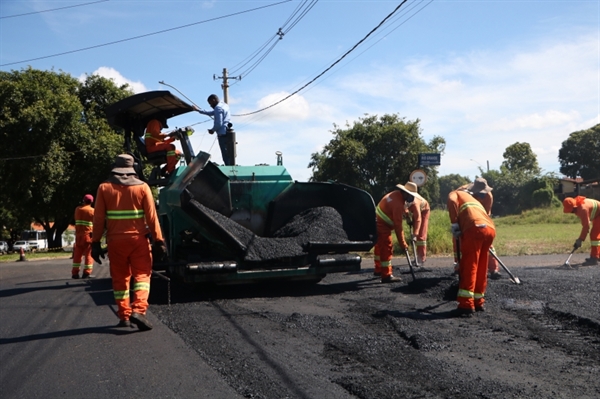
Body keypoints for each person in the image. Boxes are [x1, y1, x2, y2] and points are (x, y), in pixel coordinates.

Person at [91, 154, 167, 330]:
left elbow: (98, 218)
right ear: (134, 168)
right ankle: (139, 310)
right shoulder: (143, 187)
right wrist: (159, 240)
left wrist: (95, 243)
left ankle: (124, 315)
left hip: (115, 242)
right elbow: (152, 216)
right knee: (142, 276)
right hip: (138, 240)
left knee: (120, 279)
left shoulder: (104, 187)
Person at [447, 186, 496, 316]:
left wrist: (454, 224)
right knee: (481, 265)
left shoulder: (455, 193)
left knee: (470, 264)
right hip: (490, 229)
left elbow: (452, 202)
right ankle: (478, 300)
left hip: (474, 228)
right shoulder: (473, 200)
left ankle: (466, 304)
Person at [453, 177, 501, 279]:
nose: (482, 196)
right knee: (458, 242)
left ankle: (494, 270)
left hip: (480, 220)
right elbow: (454, 208)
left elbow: (486, 215)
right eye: (480, 194)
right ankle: (459, 268)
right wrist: (457, 225)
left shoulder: (488, 197)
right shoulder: (461, 192)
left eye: (483, 193)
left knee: (487, 242)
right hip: (463, 218)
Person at [373, 183, 418, 283]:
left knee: (379, 246)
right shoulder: (397, 204)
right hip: (382, 225)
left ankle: (378, 269)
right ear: (405, 193)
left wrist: (406, 215)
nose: (412, 198)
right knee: (386, 248)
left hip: (377, 221)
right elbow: (398, 228)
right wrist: (403, 245)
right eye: (411, 195)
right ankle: (386, 275)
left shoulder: (396, 195)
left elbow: (402, 206)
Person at [195, 94, 233, 165]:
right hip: (228, 133)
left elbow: (219, 123)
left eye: (210, 103)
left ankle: (229, 169)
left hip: (222, 134)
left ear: (213, 100)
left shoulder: (218, 108)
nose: (210, 105)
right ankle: (231, 167)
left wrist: (212, 130)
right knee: (230, 153)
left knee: (225, 155)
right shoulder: (224, 105)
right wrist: (198, 110)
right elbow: (211, 113)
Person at [563, 196, 600, 266]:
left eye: (571, 210)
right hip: (597, 215)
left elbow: (586, 227)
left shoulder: (583, 209)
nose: (572, 212)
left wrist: (580, 239)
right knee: (595, 236)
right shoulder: (578, 204)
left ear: (574, 207)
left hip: (599, 215)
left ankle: (594, 258)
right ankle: (597, 256)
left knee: (594, 236)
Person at [404, 181, 430, 264]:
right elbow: (404, 209)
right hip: (415, 212)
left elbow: (418, 218)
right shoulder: (403, 198)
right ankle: (417, 257)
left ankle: (421, 258)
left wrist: (415, 234)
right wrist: (408, 218)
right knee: (417, 233)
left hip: (424, 211)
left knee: (421, 235)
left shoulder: (415, 203)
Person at [72, 194, 95, 279]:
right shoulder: (92, 211)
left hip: (78, 236)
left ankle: (75, 273)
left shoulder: (77, 209)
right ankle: (86, 273)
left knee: (77, 254)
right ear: (92, 202)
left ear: (83, 201)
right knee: (89, 254)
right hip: (88, 236)